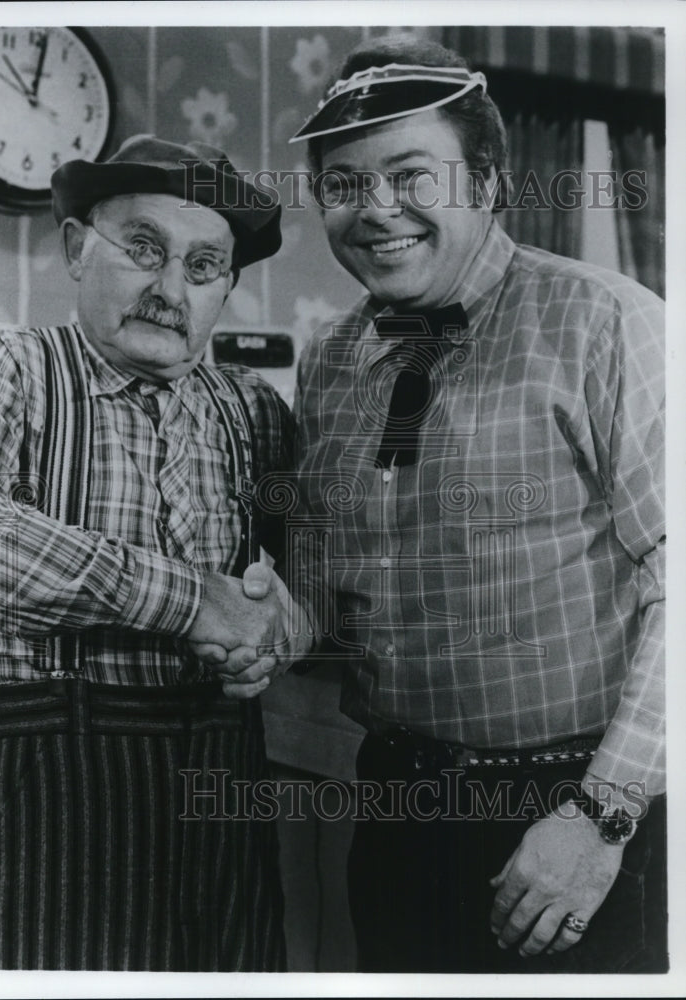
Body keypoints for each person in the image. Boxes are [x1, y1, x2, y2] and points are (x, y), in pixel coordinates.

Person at [276, 37, 665, 973]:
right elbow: (327, 598)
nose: (375, 212)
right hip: (396, 812)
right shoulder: (328, 363)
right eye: (341, 185)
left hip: (573, 817)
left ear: (487, 179)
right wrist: (269, 620)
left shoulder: (608, 321)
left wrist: (599, 813)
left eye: (411, 174)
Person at [0, 134, 305, 971]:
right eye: (144, 249)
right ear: (75, 248)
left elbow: (303, 585)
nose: (170, 290)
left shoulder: (255, 411)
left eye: (204, 267)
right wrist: (187, 598)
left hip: (223, 779)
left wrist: (280, 631)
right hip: (50, 787)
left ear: (227, 287)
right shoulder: (6, 366)